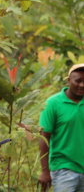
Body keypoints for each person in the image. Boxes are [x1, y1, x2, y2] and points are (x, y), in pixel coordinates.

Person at [38, 64, 84, 192]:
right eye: (78, 81)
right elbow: (44, 137)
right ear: (69, 80)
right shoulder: (53, 103)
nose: (82, 85)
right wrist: (45, 171)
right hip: (63, 169)